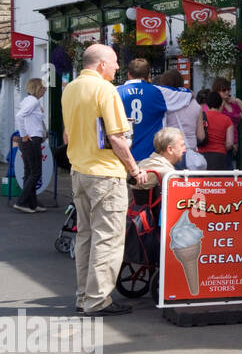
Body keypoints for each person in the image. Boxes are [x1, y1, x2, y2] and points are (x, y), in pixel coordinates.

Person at [60, 43, 143, 315]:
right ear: (102, 64)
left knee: (85, 236)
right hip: (105, 174)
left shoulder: (70, 89)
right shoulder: (106, 90)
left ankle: (84, 297)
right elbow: (117, 137)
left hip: (79, 171)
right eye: (115, 62)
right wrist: (135, 170)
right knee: (107, 239)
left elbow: (66, 136)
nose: (119, 67)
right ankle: (97, 300)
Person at [117, 58, 167, 162]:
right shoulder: (157, 92)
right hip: (148, 156)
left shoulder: (115, 92)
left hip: (122, 156)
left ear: (128, 73)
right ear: (149, 74)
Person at [156, 69, 207, 170]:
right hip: (191, 156)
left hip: (171, 154)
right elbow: (201, 136)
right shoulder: (195, 105)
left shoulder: (167, 104)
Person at [13, 78, 48, 213]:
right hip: (32, 140)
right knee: (35, 173)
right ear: (38, 88)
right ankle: (21, 202)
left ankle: (32, 204)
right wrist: (24, 134)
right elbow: (19, 116)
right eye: (43, 87)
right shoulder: (33, 102)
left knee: (29, 172)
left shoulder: (29, 101)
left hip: (29, 140)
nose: (45, 89)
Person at [199, 90, 235, 169]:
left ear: (207, 104)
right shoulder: (227, 120)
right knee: (217, 180)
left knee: (202, 180)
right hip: (219, 155)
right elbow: (229, 144)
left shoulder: (200, 117)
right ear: (221, 104)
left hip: (200, 154)